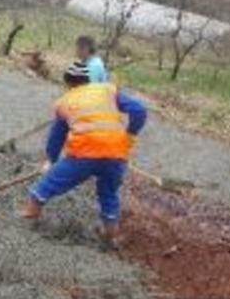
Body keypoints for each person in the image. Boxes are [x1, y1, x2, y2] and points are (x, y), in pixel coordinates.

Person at [21, 61, 147, 248]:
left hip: (84, 154)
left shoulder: (66, 101)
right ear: (88, 79)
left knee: (48, 183)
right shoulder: (106, 90)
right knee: (109, 194)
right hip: (116, 154)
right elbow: (139, 110)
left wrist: (50, 160)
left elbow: (57, 136)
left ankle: (30, 215)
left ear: (68, 83)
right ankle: (110, 234)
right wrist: (131, 133)